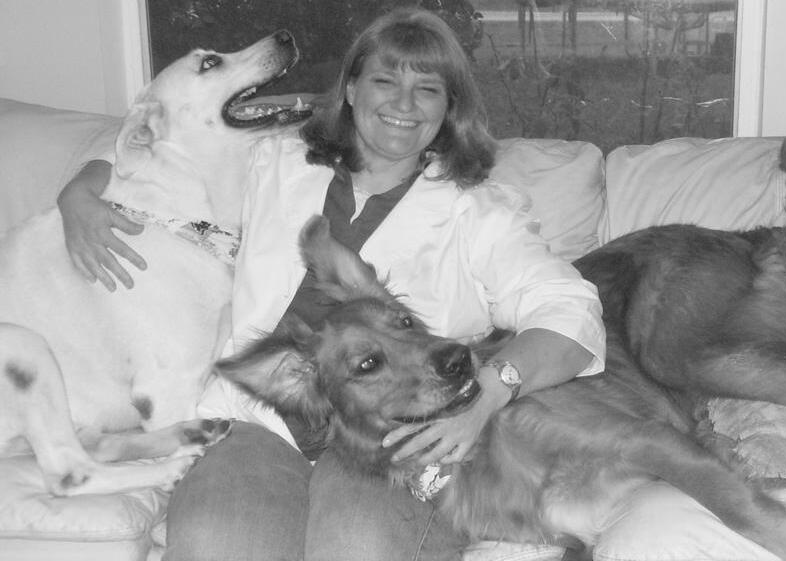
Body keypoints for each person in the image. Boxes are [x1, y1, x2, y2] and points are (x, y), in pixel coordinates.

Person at [57, 8, 606, 561]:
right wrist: (79, 192)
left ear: (449, 108)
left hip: (391, 439)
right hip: (255, 421)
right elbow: (164, 146)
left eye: (427, 89)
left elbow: (570, 309)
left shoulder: (481, 214)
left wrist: (490, 391)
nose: (404, 105)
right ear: (350, 89)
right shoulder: (275, 161)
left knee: (357, 545)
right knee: (216, 542)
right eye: (385, 81)